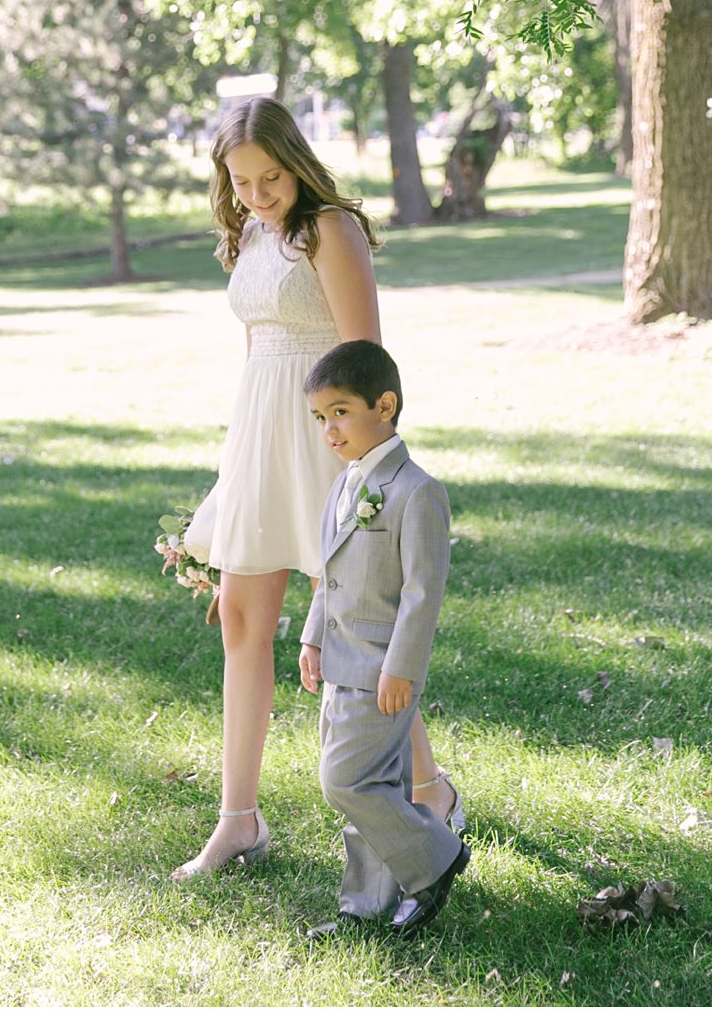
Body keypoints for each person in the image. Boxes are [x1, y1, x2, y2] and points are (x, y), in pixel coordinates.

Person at [174, 97, 459, 881]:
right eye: (242, 180)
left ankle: (429, 793)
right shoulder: (249, 236)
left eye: (271, 177)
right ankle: (239, 821)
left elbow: (364, 358)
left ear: (295, 161)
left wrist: (361, 466)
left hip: (327, 438)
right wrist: (235, 468)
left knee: (358, 629)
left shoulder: (330, 229)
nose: (260, 193)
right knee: (240, 617)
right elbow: (254, 356)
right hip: (260, 437)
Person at [299, 341, 468, 938]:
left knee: (344, 781)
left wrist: (403, 668)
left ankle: (437, 857)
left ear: (385, 406)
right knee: (373, 786)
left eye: (340, 412)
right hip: (340, 662)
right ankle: (366, 902)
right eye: (320, 418)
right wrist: (313, 636)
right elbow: (331, 572)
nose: (329, 429)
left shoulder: (415, 491)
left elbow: (423, 594)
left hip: (381, 669)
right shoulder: (346, 486)